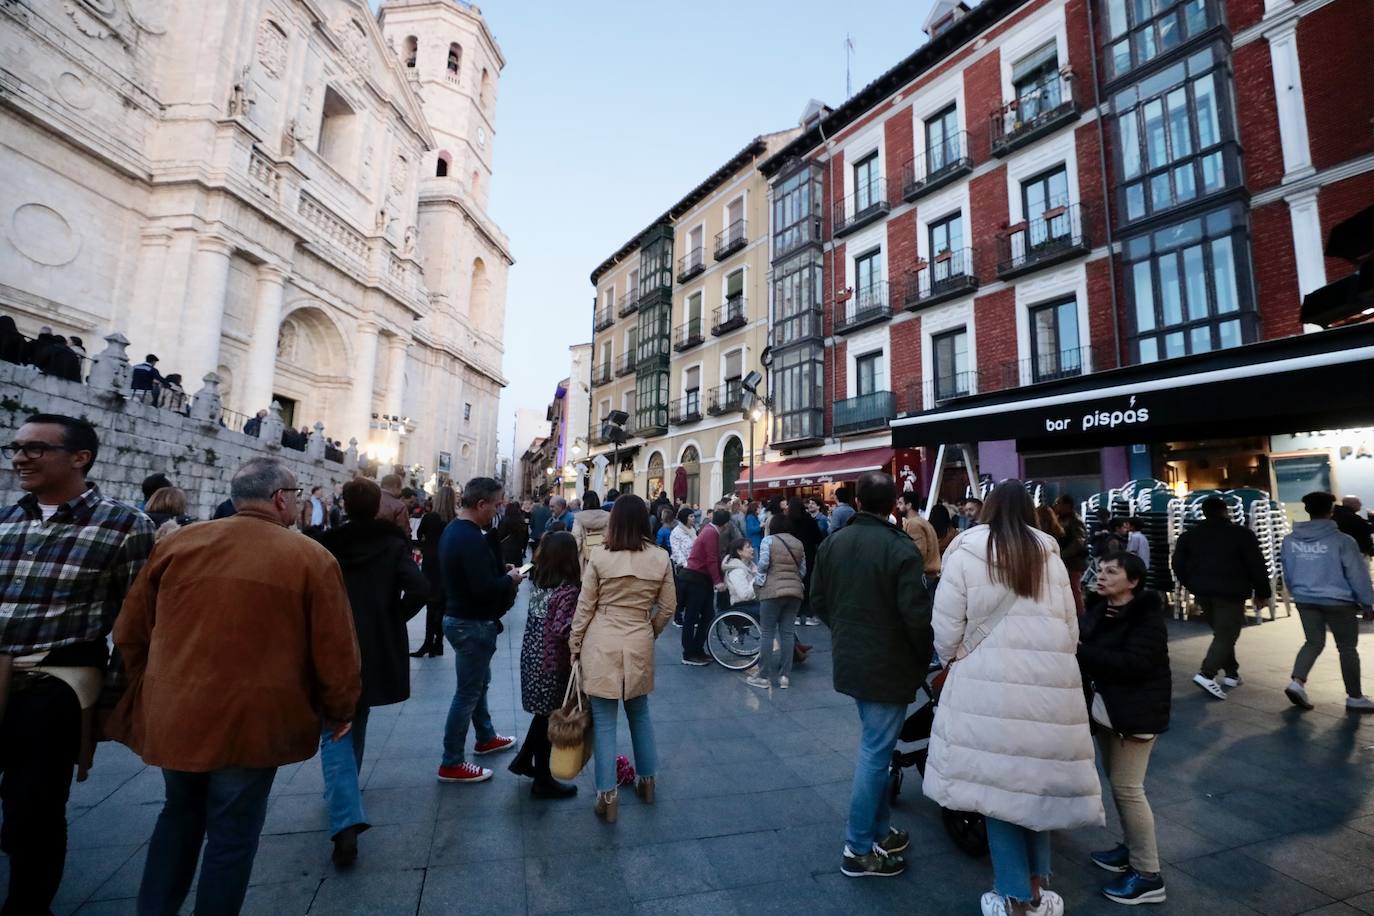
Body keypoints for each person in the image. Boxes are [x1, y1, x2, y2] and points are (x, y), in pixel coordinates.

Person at [110, 457, 360, 915]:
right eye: (296, 496)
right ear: (281, 499)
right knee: (233, 833)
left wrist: (153, 684)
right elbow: (335, 649)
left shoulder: (180, 544)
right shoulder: (310, 557)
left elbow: (129, 629)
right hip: (252, 720)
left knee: (178, 815)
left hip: (178, 710)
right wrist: (340, 708)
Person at [0, 414, 156, 916]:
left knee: (34, 810)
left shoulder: (126, 525)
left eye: (35, 448)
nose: (20, 457)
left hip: (54, 684)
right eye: (15, 447)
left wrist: (113, 700)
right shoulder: (7, 518)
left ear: (79, 458)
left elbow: (137, 622)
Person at [925, 480, 1102, 915]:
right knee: (1035, 788)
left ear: (986, 509)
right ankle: (1036, 890)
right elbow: (1070, 627)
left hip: (985, 685)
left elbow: (945, 627)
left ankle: (1013, 898)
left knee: (998, 790)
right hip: (1049, 687)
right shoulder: (1050, 554)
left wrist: (954, 659)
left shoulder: (965, 551)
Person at [810, 471, 932, 878]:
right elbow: (916, 616)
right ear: (893, 505)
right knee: (875, 753)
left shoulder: (834, 542)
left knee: (875, 746)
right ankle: (858, 848)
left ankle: (880, 830)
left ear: (858, 502)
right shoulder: (900, 548)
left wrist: (845, 631)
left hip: (853, 659)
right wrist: (922, 656)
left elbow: (818, 600)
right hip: (889, 663)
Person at [317, 477, 427, 865]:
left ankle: (343, 797)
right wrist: (393, 616)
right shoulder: (391, 545)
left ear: (345, 505)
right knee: (357, 714)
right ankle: (347, 794)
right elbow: (420, 588)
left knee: (335, 721)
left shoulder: (326, 545)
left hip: (333, 639)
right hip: (374, 643)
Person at [568, 495, 676, 822]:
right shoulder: (660, 557)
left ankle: (608, 796)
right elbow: (668, 607)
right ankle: (648, 782)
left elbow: (585, 606)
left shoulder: (600, 557)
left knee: (603, 722)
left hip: (601, 639)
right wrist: (650, 631)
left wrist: (575, 643)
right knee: (640, 713)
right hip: (638, 636)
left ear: (613, 522)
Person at [1078, 552, 1171, 905]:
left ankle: (1148, 874)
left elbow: (1135, 664)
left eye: (1112, 572)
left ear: (1133, 581)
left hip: (1136, 714)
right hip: (1109, 712)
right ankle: (1131, 848)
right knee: (1119, 785)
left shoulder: (1147, 619)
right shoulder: (1100, 611)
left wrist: (1081, 651)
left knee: (1128, 789)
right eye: (1100, 570)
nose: (1102, 576)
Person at [437, 477, 523, 784]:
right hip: (471, 623)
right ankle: (451, 762)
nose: (498, 510)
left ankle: (485, 736)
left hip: (461, 618)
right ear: (481, 504)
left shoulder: (455, 530)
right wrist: (510, 579)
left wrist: (502, 571)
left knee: (478, 684)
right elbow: (483, 588)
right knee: (468, 692)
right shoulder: (470, 538)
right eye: (496, 504)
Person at [1281, 491, 1374, 712]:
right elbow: (1357, 574)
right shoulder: (1343, 541)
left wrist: (1297, 592)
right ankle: (1355, 697)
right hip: (1338, 601)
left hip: (1305, 599)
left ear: (1307, 510)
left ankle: (1297, 683)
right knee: (1347, 648)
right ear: (1331, 511)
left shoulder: (1290, 540)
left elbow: (1288, 570)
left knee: (1313, 642)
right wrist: (1367, 602)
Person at [1172, 496, 1271, 700]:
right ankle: (1207, 674)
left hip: (1202, 592)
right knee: (1227, 633)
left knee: (1222, 633)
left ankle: (1232, 673)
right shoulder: (1242, 534)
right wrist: (1262, 592)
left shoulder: (1189, 536)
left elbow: (1177, 564)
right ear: (1225, 511)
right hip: (1231, 592)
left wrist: (1191, 584)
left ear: (1204, 512)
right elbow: (1256, 564)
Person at [509, 531, 581, 799]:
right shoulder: (568, 590)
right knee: (549, 717)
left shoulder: (540, 581)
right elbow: (564, 629)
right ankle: (542, 779)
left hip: (532, 658)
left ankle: (524, 761)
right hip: (552, 664)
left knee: (543, 715)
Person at [748, 512, 806, 690]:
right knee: (787, 633)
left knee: (767, 633)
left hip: (772, 591)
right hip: (794, 592)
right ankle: (784, 676)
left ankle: (763, 676)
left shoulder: (769, 541)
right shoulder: (798, 543)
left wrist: (758, 582)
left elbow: (763, 564)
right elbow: (803, 570)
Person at [680, 507, 731, 665]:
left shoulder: (708, 530)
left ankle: (697, 649)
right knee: (693, 616)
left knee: (706, 615)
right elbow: (711, 559)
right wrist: (718, 581)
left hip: (698, 578)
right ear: (726, 524)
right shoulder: (711, 533)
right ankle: (689, 653)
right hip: (697, 579)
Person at [412, 484, 455, 658]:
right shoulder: (454, 520)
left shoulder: (430, 518)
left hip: (431, 564)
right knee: (442, 604)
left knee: (431, 604)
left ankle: (428, 643)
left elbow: (419, 535)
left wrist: (427, 544)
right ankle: (439, 643)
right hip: (447, 564)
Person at [788, 498, 824, 626]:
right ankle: (808, 614)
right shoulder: (809, 520)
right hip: (808, 555)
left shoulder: (787, 521)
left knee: (794, 585)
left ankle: (795, 615)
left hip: (791, 556)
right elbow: (818, 538)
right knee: (808, 584)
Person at [1053, 495, 1089, 615]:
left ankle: (1080, 616)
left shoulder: (1075, 521)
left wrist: (1061, 555)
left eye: (1058, 503)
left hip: (1073, 562)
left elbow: (1079, 542)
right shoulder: (1061, 519)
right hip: (1065, 561)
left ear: (1067, 505)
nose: (1056, 506)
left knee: (1074, 590)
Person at [899, 492, 941, 586]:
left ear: (909, 505)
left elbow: (918, 552)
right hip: (929, 575)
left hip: (923, 576)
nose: (898, 506)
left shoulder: (913, 524)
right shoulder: (922, 522)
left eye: (900, 503)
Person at [669, 506, 696, 628]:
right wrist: (685, 564)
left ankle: (692, 616)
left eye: (693, 516)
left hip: (694, 565)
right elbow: (676, 551)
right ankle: (678, 617)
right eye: (691, 516)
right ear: (685, 518)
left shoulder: (692, 530)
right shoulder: (676, 532)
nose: (693, 518)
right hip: (682, 567)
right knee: (681, 594)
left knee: (693, 593)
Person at [572, 490, 610, 567]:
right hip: (604, 556)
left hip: (586, 558)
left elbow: (577, 539)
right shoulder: (608, 516)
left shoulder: (579, 518)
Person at [722, 538, 758, 610]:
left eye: (751, 546)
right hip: (743, 607)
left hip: (753, 604)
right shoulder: (736, 571)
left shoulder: (752, 567)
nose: (752, 549)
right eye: (748, 547)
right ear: (739, 551)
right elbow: (745, 595)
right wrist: (756, 579)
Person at [496, 500, 529, 568]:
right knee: (517, 569)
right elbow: (526, 537)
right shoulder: (521, 521)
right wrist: (523, 549)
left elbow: (500, 535)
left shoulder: (504, 520)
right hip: (517, 550)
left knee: (507, 569)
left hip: (506, 550)